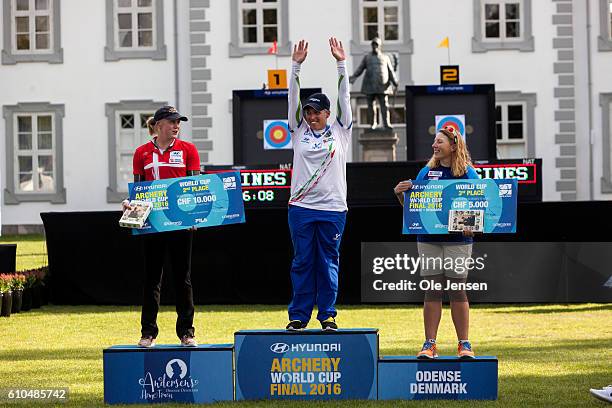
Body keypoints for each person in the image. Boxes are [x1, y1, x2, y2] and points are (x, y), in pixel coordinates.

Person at [394, 126, 479, 359]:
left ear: (453, 146)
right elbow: (416, 212)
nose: (434, 145)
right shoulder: (426, 172)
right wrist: (402, 196)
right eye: (434, 141)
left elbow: (480, 206)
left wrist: (472, 225)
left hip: (458, 240)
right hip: (429, 239)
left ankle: (464, 344)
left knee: (457, 290)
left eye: (439, 142)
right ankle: (430, 345)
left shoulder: (469, 174)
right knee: (432, 290)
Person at [285, 38, 352, 332]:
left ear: (328, 113)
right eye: (309, 112)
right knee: (302, 262)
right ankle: (298, 316)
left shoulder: (341, 130)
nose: (312, 117)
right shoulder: (298, 130)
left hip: (334, 208)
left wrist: (341, 63)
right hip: (301, 207)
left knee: (327, 263)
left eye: (317, 112)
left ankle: (327, 314)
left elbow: (344, 97)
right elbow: (292, 98)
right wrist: (296, 66)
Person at [122, 105, 201, 348]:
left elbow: (196, 186)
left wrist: (195, 217)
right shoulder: (141, 153)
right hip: (152, 223)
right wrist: (129, 204)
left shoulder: (188, 149)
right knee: (152, 279)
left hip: (179, 224)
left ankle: (187, 333)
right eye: (172, 122)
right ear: (158, 126)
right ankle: (148, 334)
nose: (177, 126)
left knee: (182, 279)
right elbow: (138, 190)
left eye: (179, 122)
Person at [349, 37, 398, 129]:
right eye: (373, 44)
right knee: (371, 106)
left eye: (376, 44)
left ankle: (386, 123)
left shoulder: (385, 57)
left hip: (382, 85)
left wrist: (395, 81)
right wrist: (353, 77)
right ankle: (373, 123)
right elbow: (360, 69)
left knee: (385, 105)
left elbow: (390, 71)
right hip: (370, 85)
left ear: (380, 46)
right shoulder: (367, 58)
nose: (375, 46)